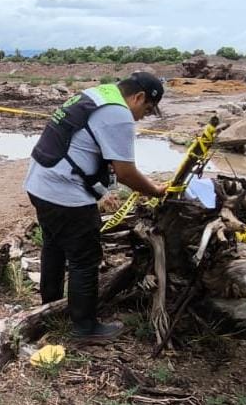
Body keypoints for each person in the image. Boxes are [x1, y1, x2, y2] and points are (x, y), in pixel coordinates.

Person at [24, 71, 167, 340]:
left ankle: (49, 307)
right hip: (63, 193)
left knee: (54, 245)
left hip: (40, 182)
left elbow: (87, 153)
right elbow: (125, 172)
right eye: (146, 110)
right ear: (138, 97)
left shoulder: (97, 94)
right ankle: (85, 327)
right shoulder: (118, 114)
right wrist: (155, 191)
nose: (143, 117)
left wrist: (103, 190)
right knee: (85, 258)